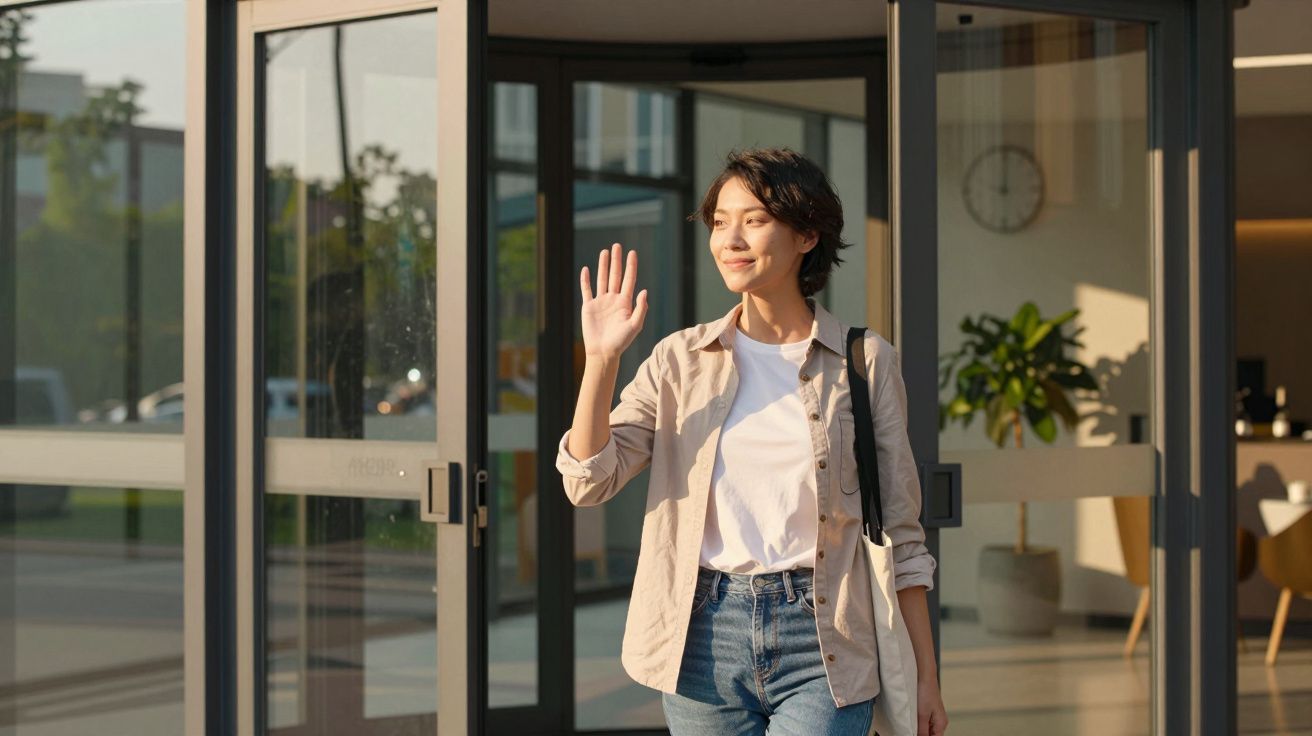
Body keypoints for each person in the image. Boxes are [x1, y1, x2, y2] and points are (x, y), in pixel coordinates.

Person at [556, 148, 948, 736]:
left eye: (755, 220)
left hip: (825, 638)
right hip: (701, 638)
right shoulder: (679, 362)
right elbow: (588, 480)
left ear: (807, 235)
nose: (730, 239)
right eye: (719, 222)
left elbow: (901, 535)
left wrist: (925, 677)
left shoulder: (865, 364)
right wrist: (602, 361)